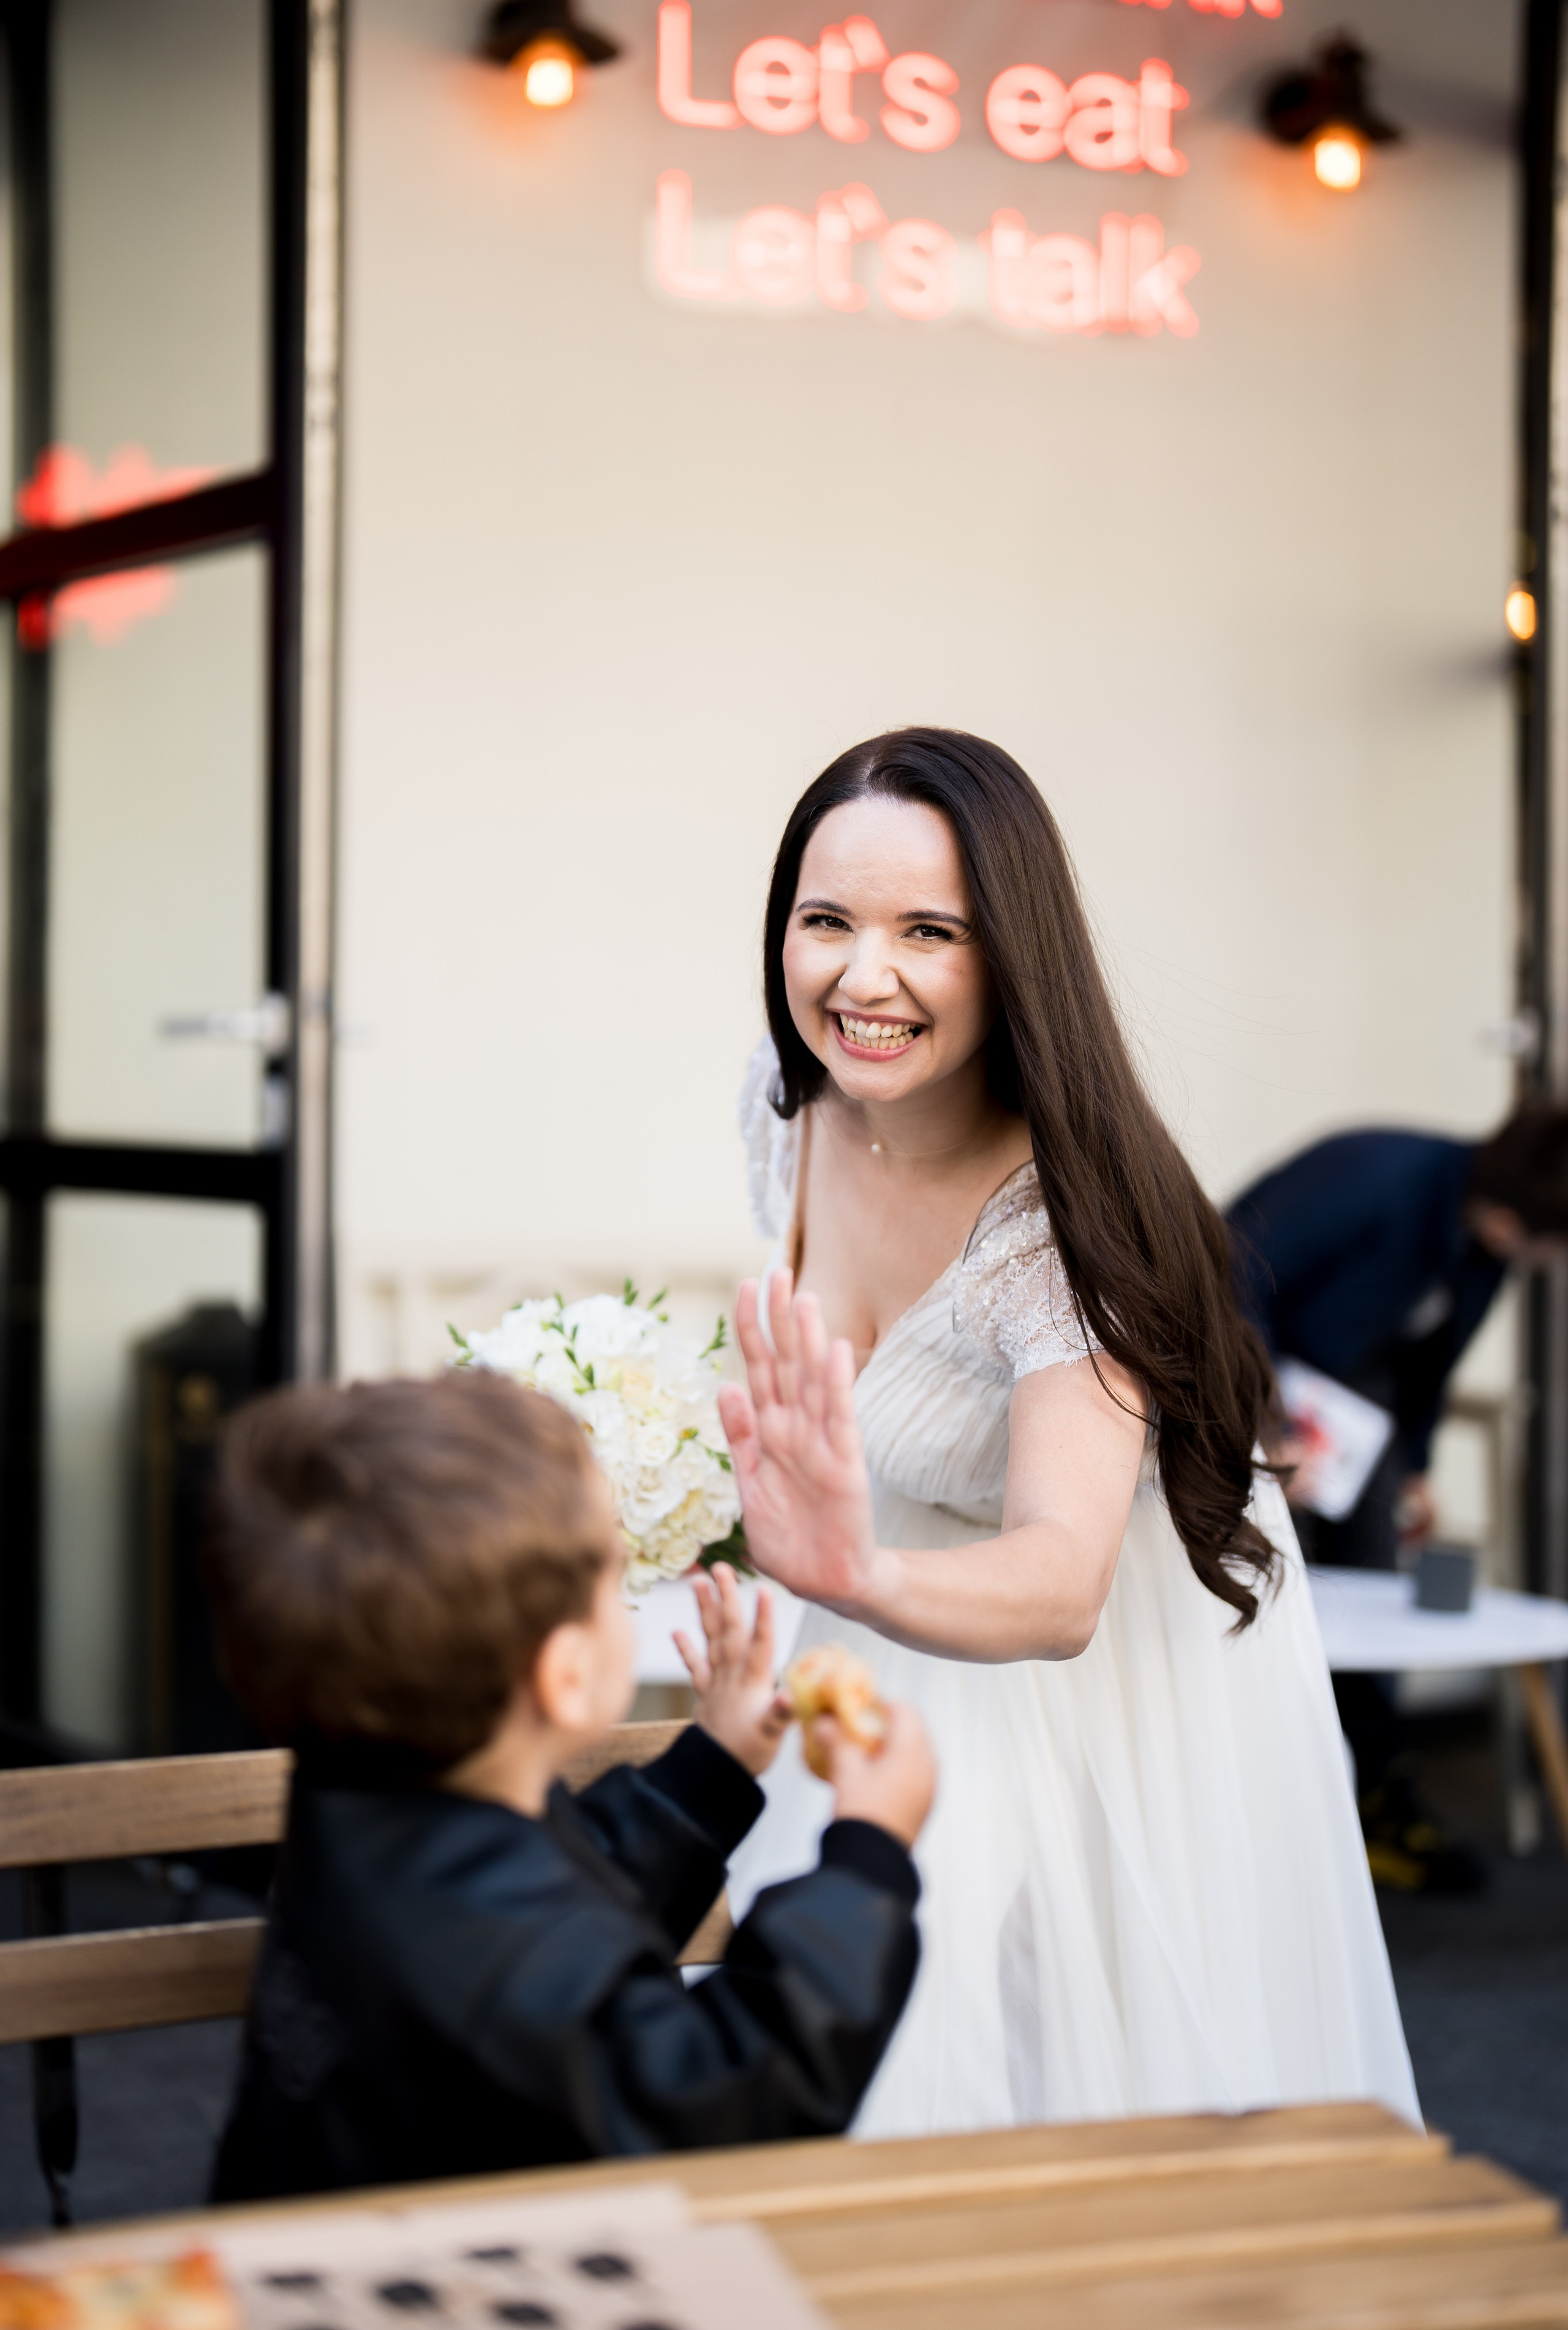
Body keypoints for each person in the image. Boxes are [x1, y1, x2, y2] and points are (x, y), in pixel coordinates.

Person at [720, 726, 1419, 2136]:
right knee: (824, 2015)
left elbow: (1058, 1581)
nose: (863, 976)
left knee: (1000, 2057)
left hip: (1090, 1672)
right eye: (825, 921)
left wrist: (847, 1565)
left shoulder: (1064, 1230)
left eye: (929, 930)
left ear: (1012, 953)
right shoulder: (785, 1100)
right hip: (878, 1623)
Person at [205, 1373, 932, 2200]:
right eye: (615, 1576)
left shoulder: (363, 1796)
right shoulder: (499, 1943)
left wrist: (713, 1767)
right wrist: (868, 1856)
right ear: (566, 1675)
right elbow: (732, 2089)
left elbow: (559, 1899)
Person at [1227, 1112, 1568, 1890]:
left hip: (1346, 1420)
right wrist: (1262, 1427)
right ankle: (1275, 1826)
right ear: (1515, 1222)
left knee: (1373, 1597)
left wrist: (1415, 1463)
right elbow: (1229, 1270)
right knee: (1276, 1599)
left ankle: (1377, 1803)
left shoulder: (1483, 1245)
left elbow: (1429, 1362)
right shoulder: (1374, 1175)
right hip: (1250, 1388)